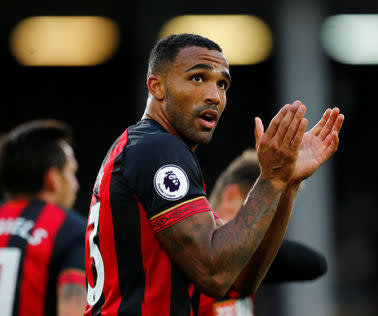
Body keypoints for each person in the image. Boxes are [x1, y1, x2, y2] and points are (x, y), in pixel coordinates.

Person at [84, 33, 344, 316]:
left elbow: (239, 280)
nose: (214, 96)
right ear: (156, 87)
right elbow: (215, 275)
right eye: (198, 78)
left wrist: (286, 184)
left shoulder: (143, 148)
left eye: (222, 84)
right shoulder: (158, 148)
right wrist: (270, 179)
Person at [199, 148, 328, 315]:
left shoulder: (246, 264)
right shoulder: (190, 249)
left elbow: (314, 264)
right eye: (268, 213)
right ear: (232, 197)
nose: (269, 227)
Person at [0, 119, 87, 316]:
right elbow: (72, 310)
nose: (76, 185)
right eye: (71, 173)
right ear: (53, 179)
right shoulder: (70, 230)